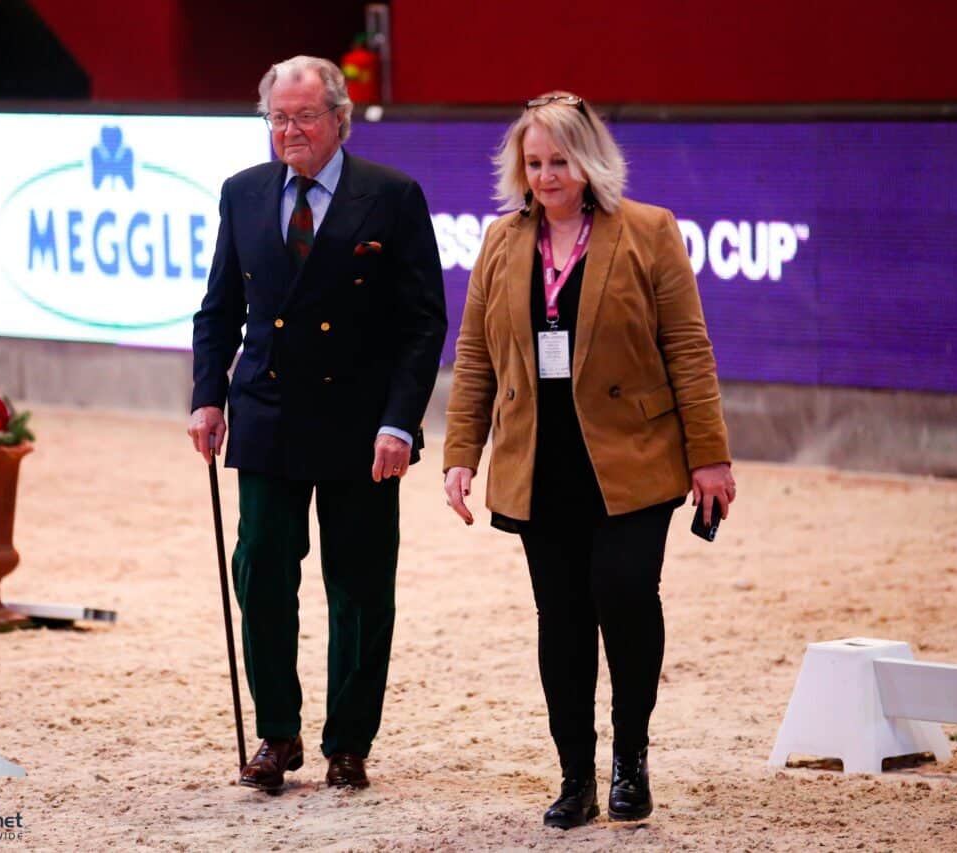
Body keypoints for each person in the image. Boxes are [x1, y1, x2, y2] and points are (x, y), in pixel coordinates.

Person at [443, 92, 734, 828]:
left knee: (627, 596)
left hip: (632, 457)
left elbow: (688, 352)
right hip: (539, 461)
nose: (545, 176)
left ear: (591, 159)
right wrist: (460, 454)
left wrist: (710, 458)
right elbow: (475, 355)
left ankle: (629, 760)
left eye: (559, 160)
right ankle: (574, 773)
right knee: (562, 619)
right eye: (533, 162)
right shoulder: (502, 241)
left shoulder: (649, 232)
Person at [188, 55, 446, 792]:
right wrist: (208, 396)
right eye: (278, 117)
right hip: (265, 414)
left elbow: (423, 323)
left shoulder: (392, 196)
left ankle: (348, 740)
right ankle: (276, 733)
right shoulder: (241, 193)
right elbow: (218, 311)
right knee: (262, 572)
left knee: (361, 585)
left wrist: (401, 422)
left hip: (362, 424)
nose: (290, 130)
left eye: (304, 116)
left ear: (340, 118)